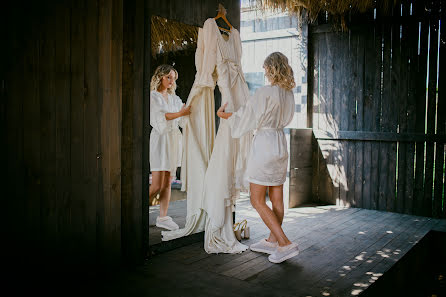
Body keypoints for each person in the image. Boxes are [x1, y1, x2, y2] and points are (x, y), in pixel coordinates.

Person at [217, 52, 299, 263]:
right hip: (280, 143)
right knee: (277, 198)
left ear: (271, 69)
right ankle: (272, 240)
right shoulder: (289, 93)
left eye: (265, 70)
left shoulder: (265, 92)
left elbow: (247, 118)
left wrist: (224, 115)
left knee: (256, 199)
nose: (265, 74)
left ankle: (284, 243)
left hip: (264, 145)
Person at [149, 64, 191, 231]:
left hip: (173, 140)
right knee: (157, 184)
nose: (171, 81)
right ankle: (134, 211)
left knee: (168, 181)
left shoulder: (174, 98)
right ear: (160, 77)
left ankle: (163, 216)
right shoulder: (153, 96)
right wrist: (181, 113)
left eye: (173, 78)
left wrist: (188, 111)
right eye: (169, 77)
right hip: (160, 140)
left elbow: (182, 118)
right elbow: (162, 117)